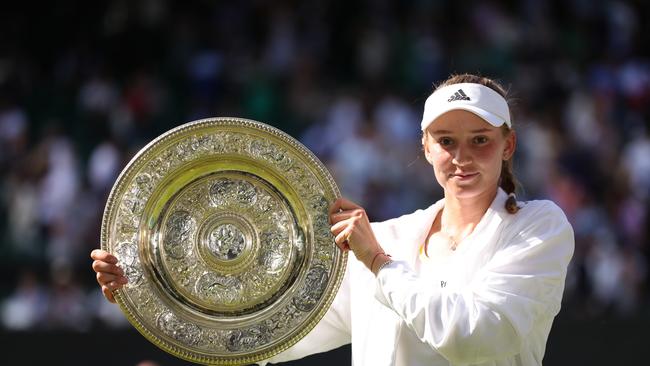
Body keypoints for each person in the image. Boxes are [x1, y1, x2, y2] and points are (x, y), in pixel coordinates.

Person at [91, 73, 574, 366]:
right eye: (446, 140)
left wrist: (378, 263)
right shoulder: (390, 237)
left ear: (508, 145)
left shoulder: (538, 227)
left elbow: (472, 339)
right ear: (425, 148)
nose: (461, 156)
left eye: (480, 140)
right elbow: (270, 335)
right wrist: (144, 288)